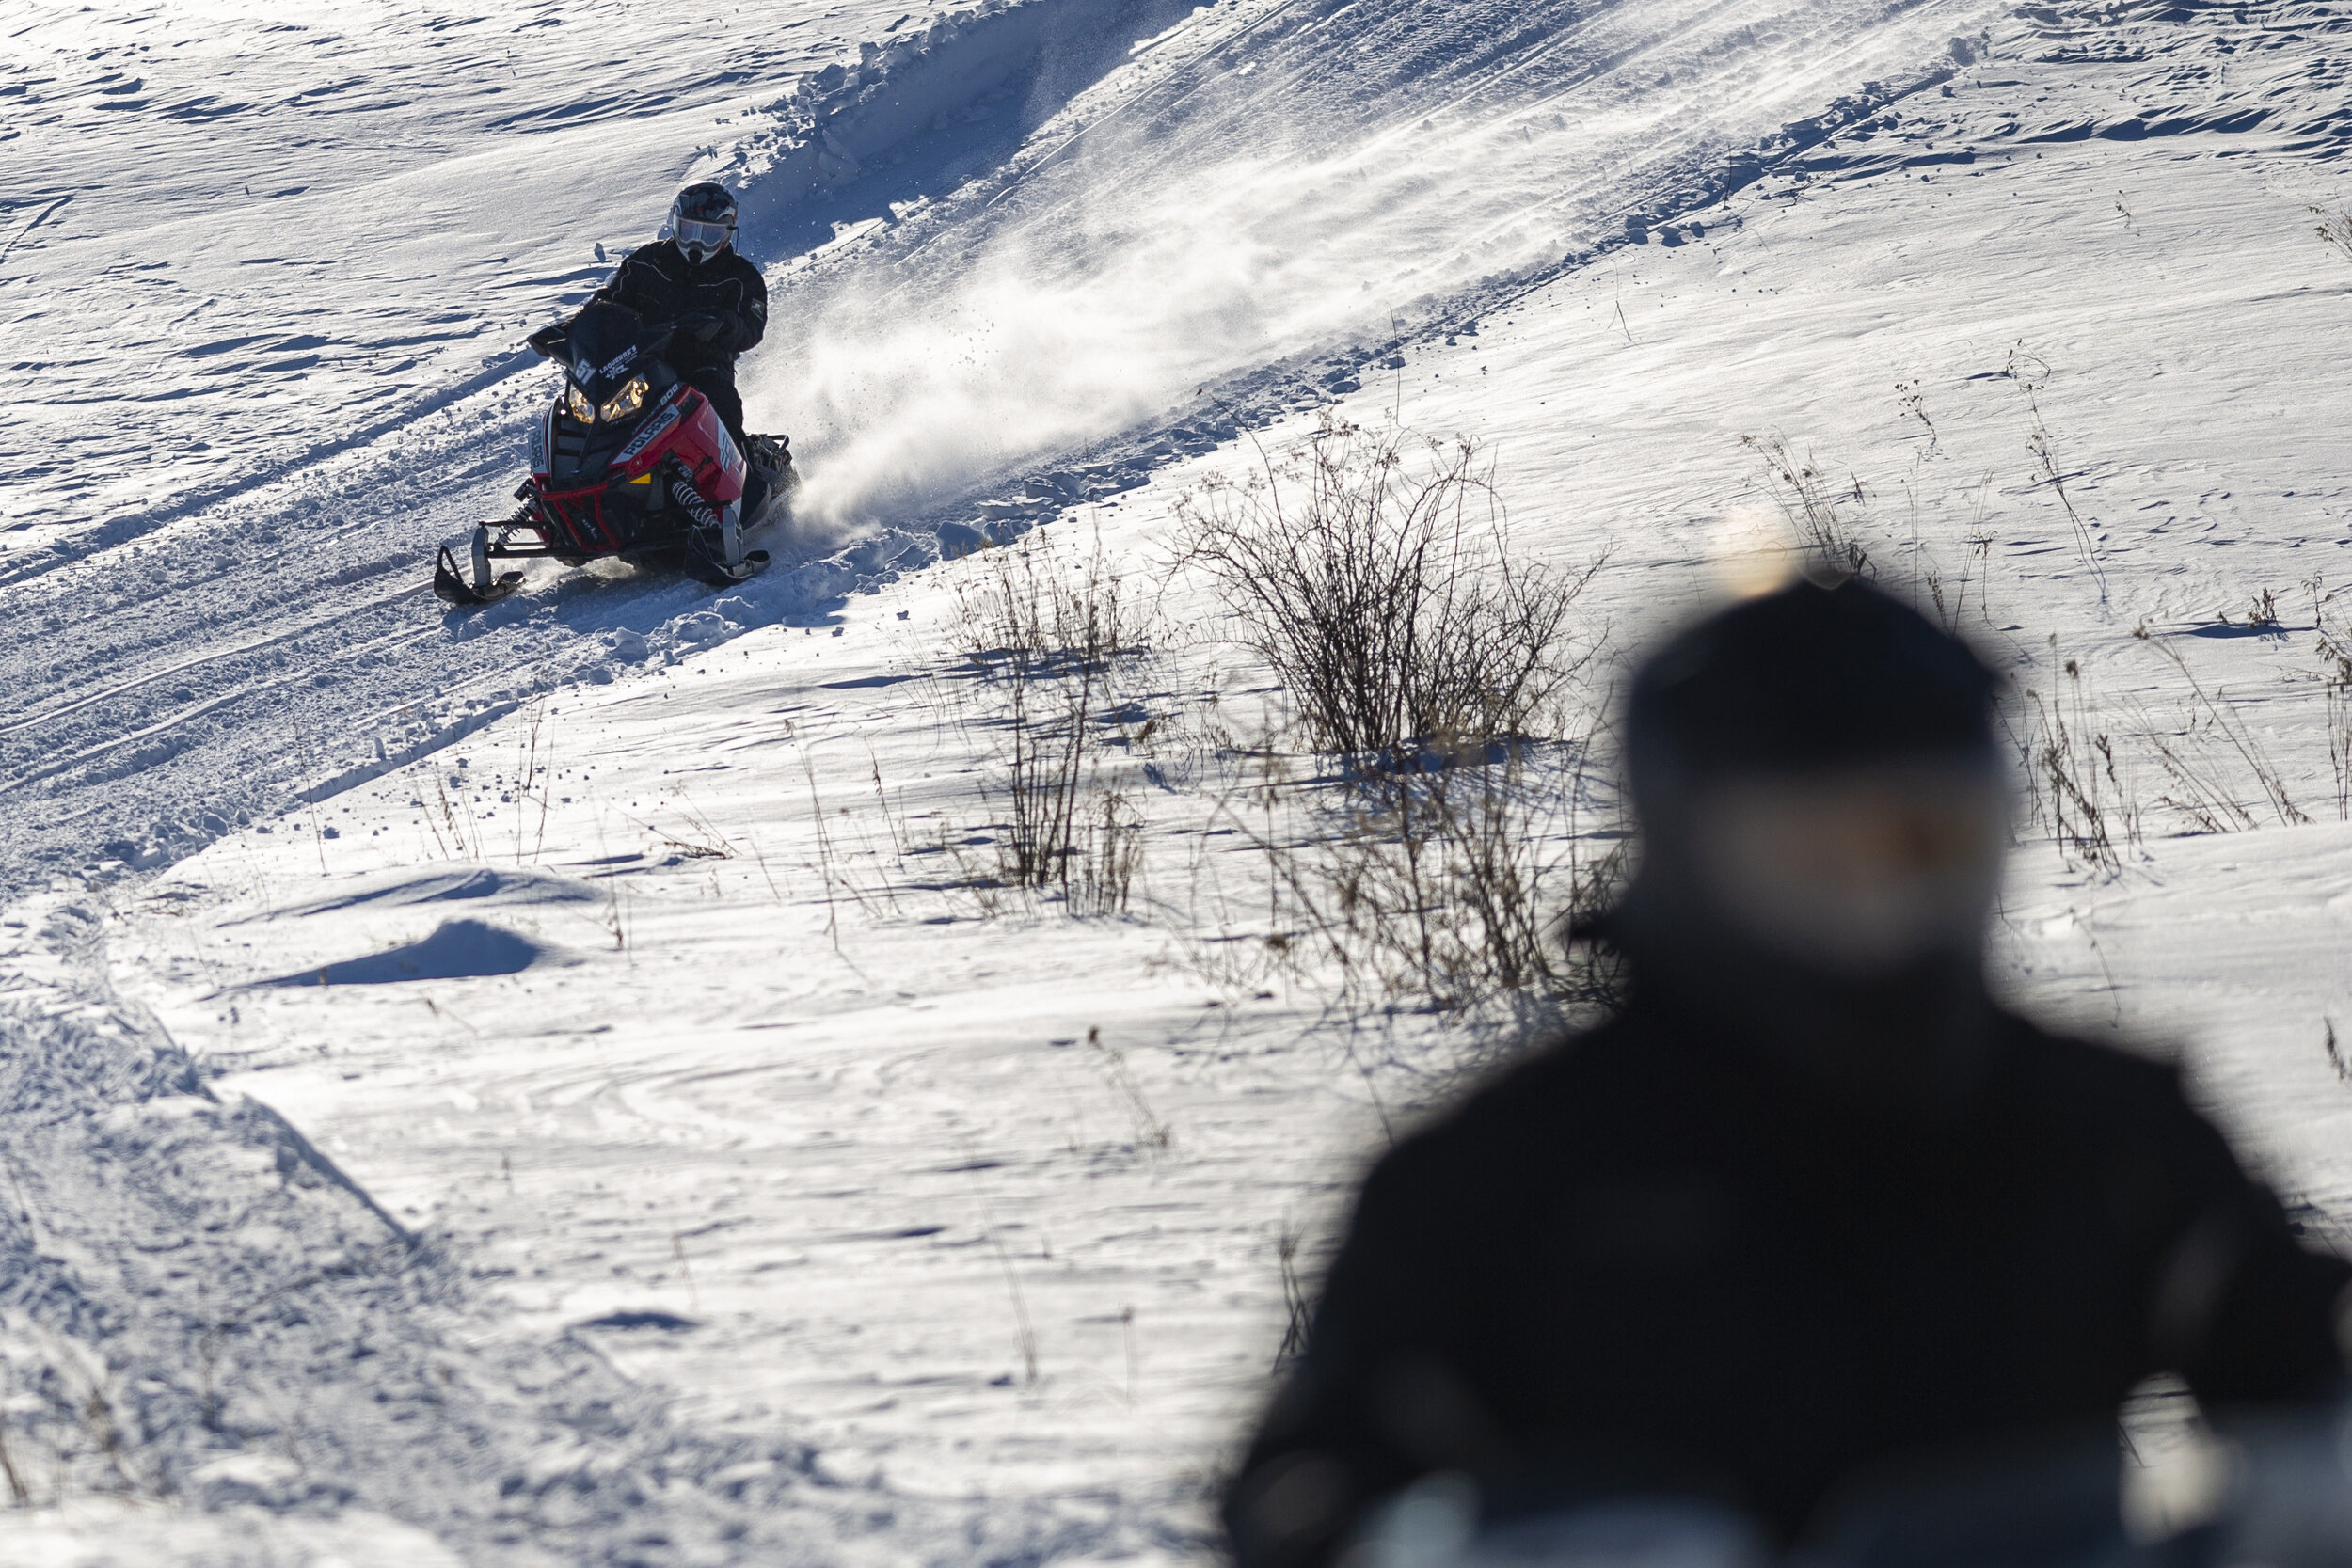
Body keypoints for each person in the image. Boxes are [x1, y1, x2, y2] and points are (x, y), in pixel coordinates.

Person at [1223, 577, 2351, 1566]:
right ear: (1688, 851)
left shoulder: (2094, 1121)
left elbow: (2279, 1318)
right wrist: (1419, 1541)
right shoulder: (1514, 1168)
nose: (1883, 912)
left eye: (1929, 846)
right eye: (1817, 860)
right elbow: (1304, 1481)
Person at [586, 182, 768, 450]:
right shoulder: (646, 261)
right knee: (581, 406)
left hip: (703, 367)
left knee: (721, 405)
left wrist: (720, 325)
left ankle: (748, 480)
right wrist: (576, 327)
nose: (697, 242)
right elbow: (609, 302)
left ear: (727, 234)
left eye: (709, 234)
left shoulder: (741, 277)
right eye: (690, 230)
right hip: (638, 363)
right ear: (676, 223)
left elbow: (752, 327)